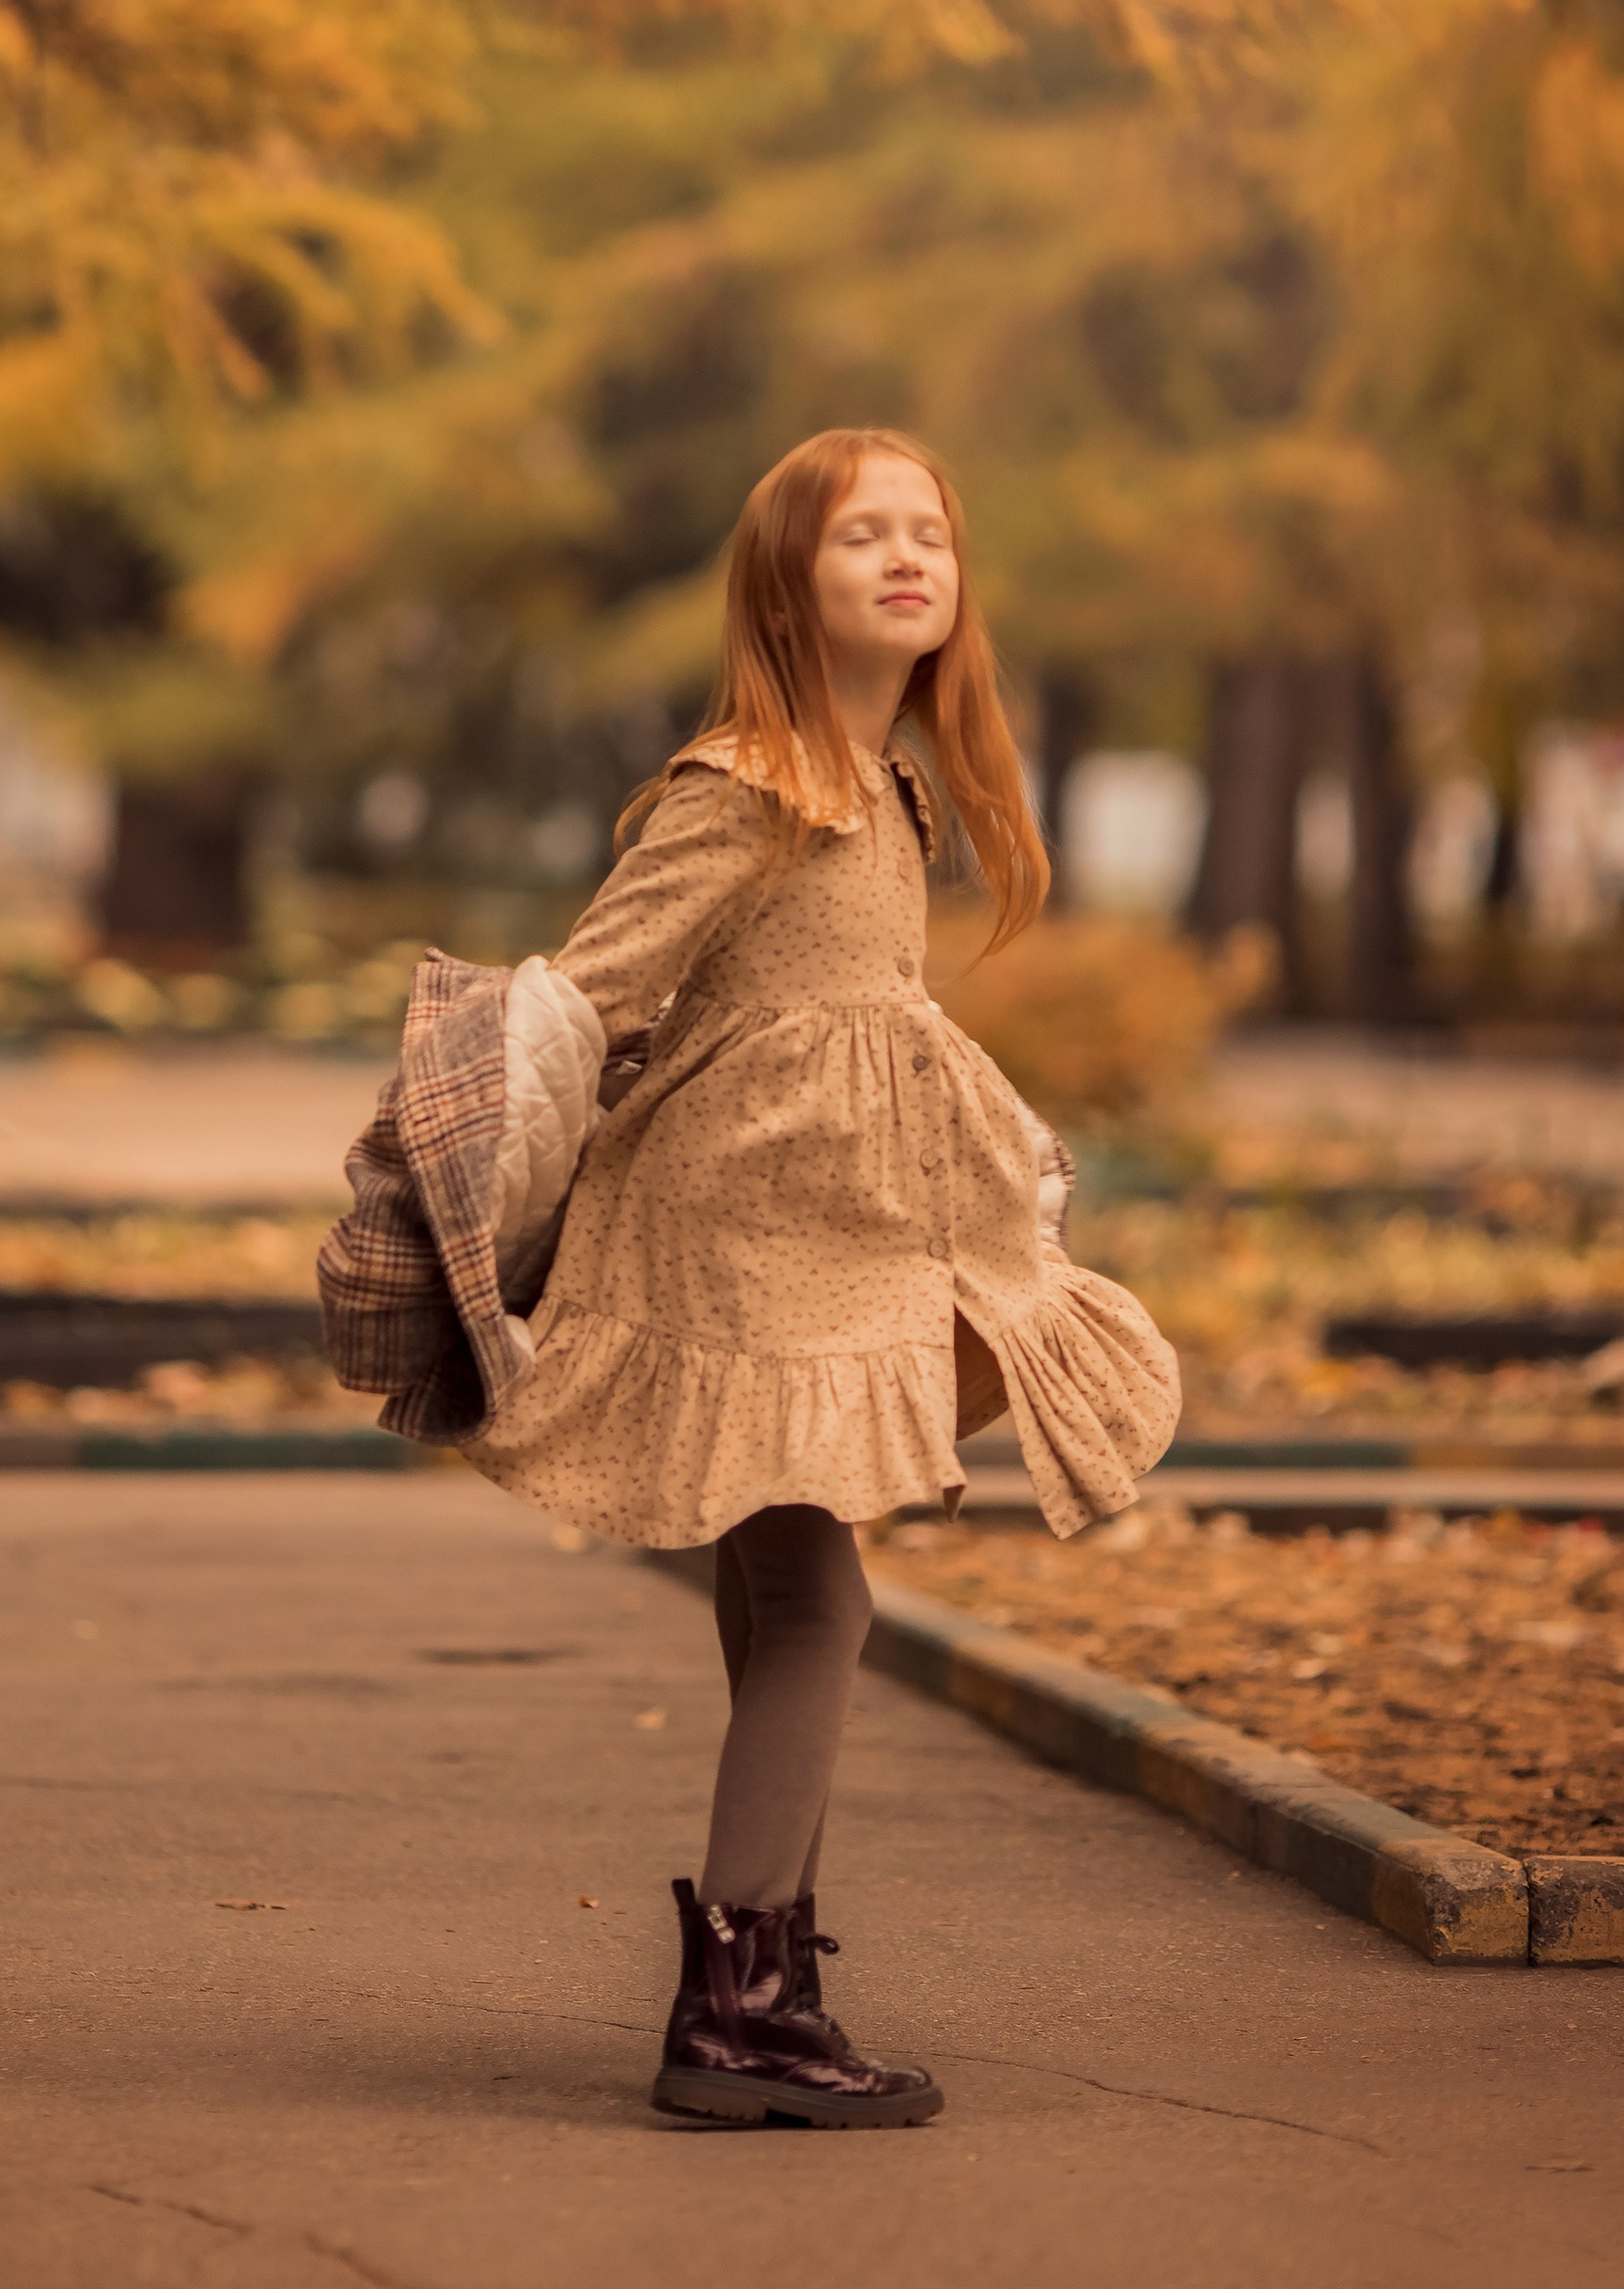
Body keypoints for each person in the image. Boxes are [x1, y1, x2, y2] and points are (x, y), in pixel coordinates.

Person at [460, 427, 1179, 2128]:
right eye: (866, 533)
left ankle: (767, 1983)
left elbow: (865, 1013)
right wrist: (473, 1190)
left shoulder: (892, 785)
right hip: (735, 1226)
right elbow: (596, 986)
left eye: (931, 530)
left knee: (786, 1588)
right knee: (823, 1596)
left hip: (835, 1223)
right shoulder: (752, 779)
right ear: (792, 576)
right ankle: (741, 2009)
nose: (910, 557)